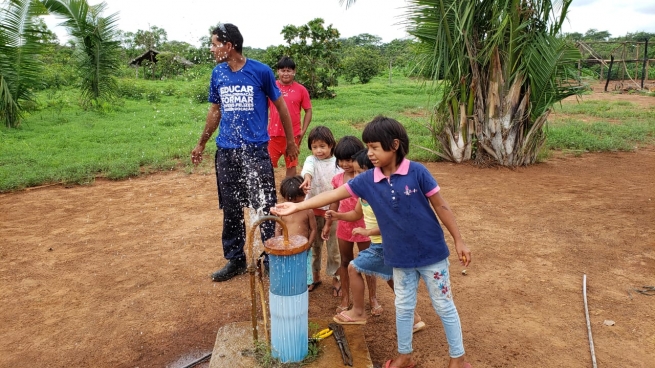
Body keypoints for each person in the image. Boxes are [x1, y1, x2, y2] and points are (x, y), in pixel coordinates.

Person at [272, 116, 472, 368]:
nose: (370, 153)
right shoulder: (368, 180)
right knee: (403, 306)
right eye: (368, 147)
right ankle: (405, 356)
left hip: (432, 253)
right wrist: (298, 205)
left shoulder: (417, 172)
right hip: (399, 256)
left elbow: (441, 205)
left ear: (395, 145)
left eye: (375, 147)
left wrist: (459, 240)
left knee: (443, 305)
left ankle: (458, 359)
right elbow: (334, 194)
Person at [190, 23, 299, 282]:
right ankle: (236, 259)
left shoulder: (260, 71)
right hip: (227, 151)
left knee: (264, 203)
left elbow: (281, 107)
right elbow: (215, 111)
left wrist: (291, 141)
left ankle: (271, 255)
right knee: (231, 207)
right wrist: (202, 143)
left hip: (255, 150)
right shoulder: (218, 73)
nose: (211, 48)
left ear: (229, 46)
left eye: (215, 43)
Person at [328, 149, 424, 333]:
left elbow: (393, 223)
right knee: (390, 278)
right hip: (383, 244)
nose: (356, 177)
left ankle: (357, 311)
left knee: (353, 267)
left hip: (384, 244)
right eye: (355, 173)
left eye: (361, 172)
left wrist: (368, 230)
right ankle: (414, 318)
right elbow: (356, 213)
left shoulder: (382, 195)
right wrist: (337, 215)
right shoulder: (364, 194)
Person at [323, 136, 375, 313]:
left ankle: (373, 298)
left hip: (365, 226)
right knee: (345, 261)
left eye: (349, 160)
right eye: (341, 160)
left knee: (367, 261)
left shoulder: (364, 177)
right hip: (344, 226)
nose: (345, 164)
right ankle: (345, 298)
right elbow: (334, 203)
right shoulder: (338, 179)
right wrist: (328, 223)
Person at [299, 126, 342, 293]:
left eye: (322, 146)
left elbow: (337, 193)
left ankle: (337, 277)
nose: (318, 150)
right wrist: (307, 178)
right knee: (314, 246)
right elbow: (307, 170)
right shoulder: (311, 160)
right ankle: (314, 276)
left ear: (331, 145)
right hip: (314, 211)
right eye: (315, 147)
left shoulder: (337, 162)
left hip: (333, 211)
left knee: (334, 249)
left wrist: (329, 222)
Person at [267, 56, 312, 177]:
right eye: (283, 70)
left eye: (289, 71)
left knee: (291, 164)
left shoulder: (301, 89)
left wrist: (303, 131)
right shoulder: (271, 87)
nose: (285, 73)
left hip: (293, 136)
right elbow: (262, 108)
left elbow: (308, 111)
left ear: (294, 71)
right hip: (273, 135)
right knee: (267, 164)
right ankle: (268, 192)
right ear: (278, 71)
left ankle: (289, 193)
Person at [276, 176, 317, 288]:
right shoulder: (282, 211)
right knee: (289, 266)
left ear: (303, 195)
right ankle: (291, 283)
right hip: (286, 247)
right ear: (285, 197)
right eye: (290, 199)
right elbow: (278, 229)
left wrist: (309, 244)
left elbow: (313, 229)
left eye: (297, 199)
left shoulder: (308, 210)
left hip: (304, 247)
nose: (293, 203)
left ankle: (308, 283)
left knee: (305, 265)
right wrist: (279, 243)